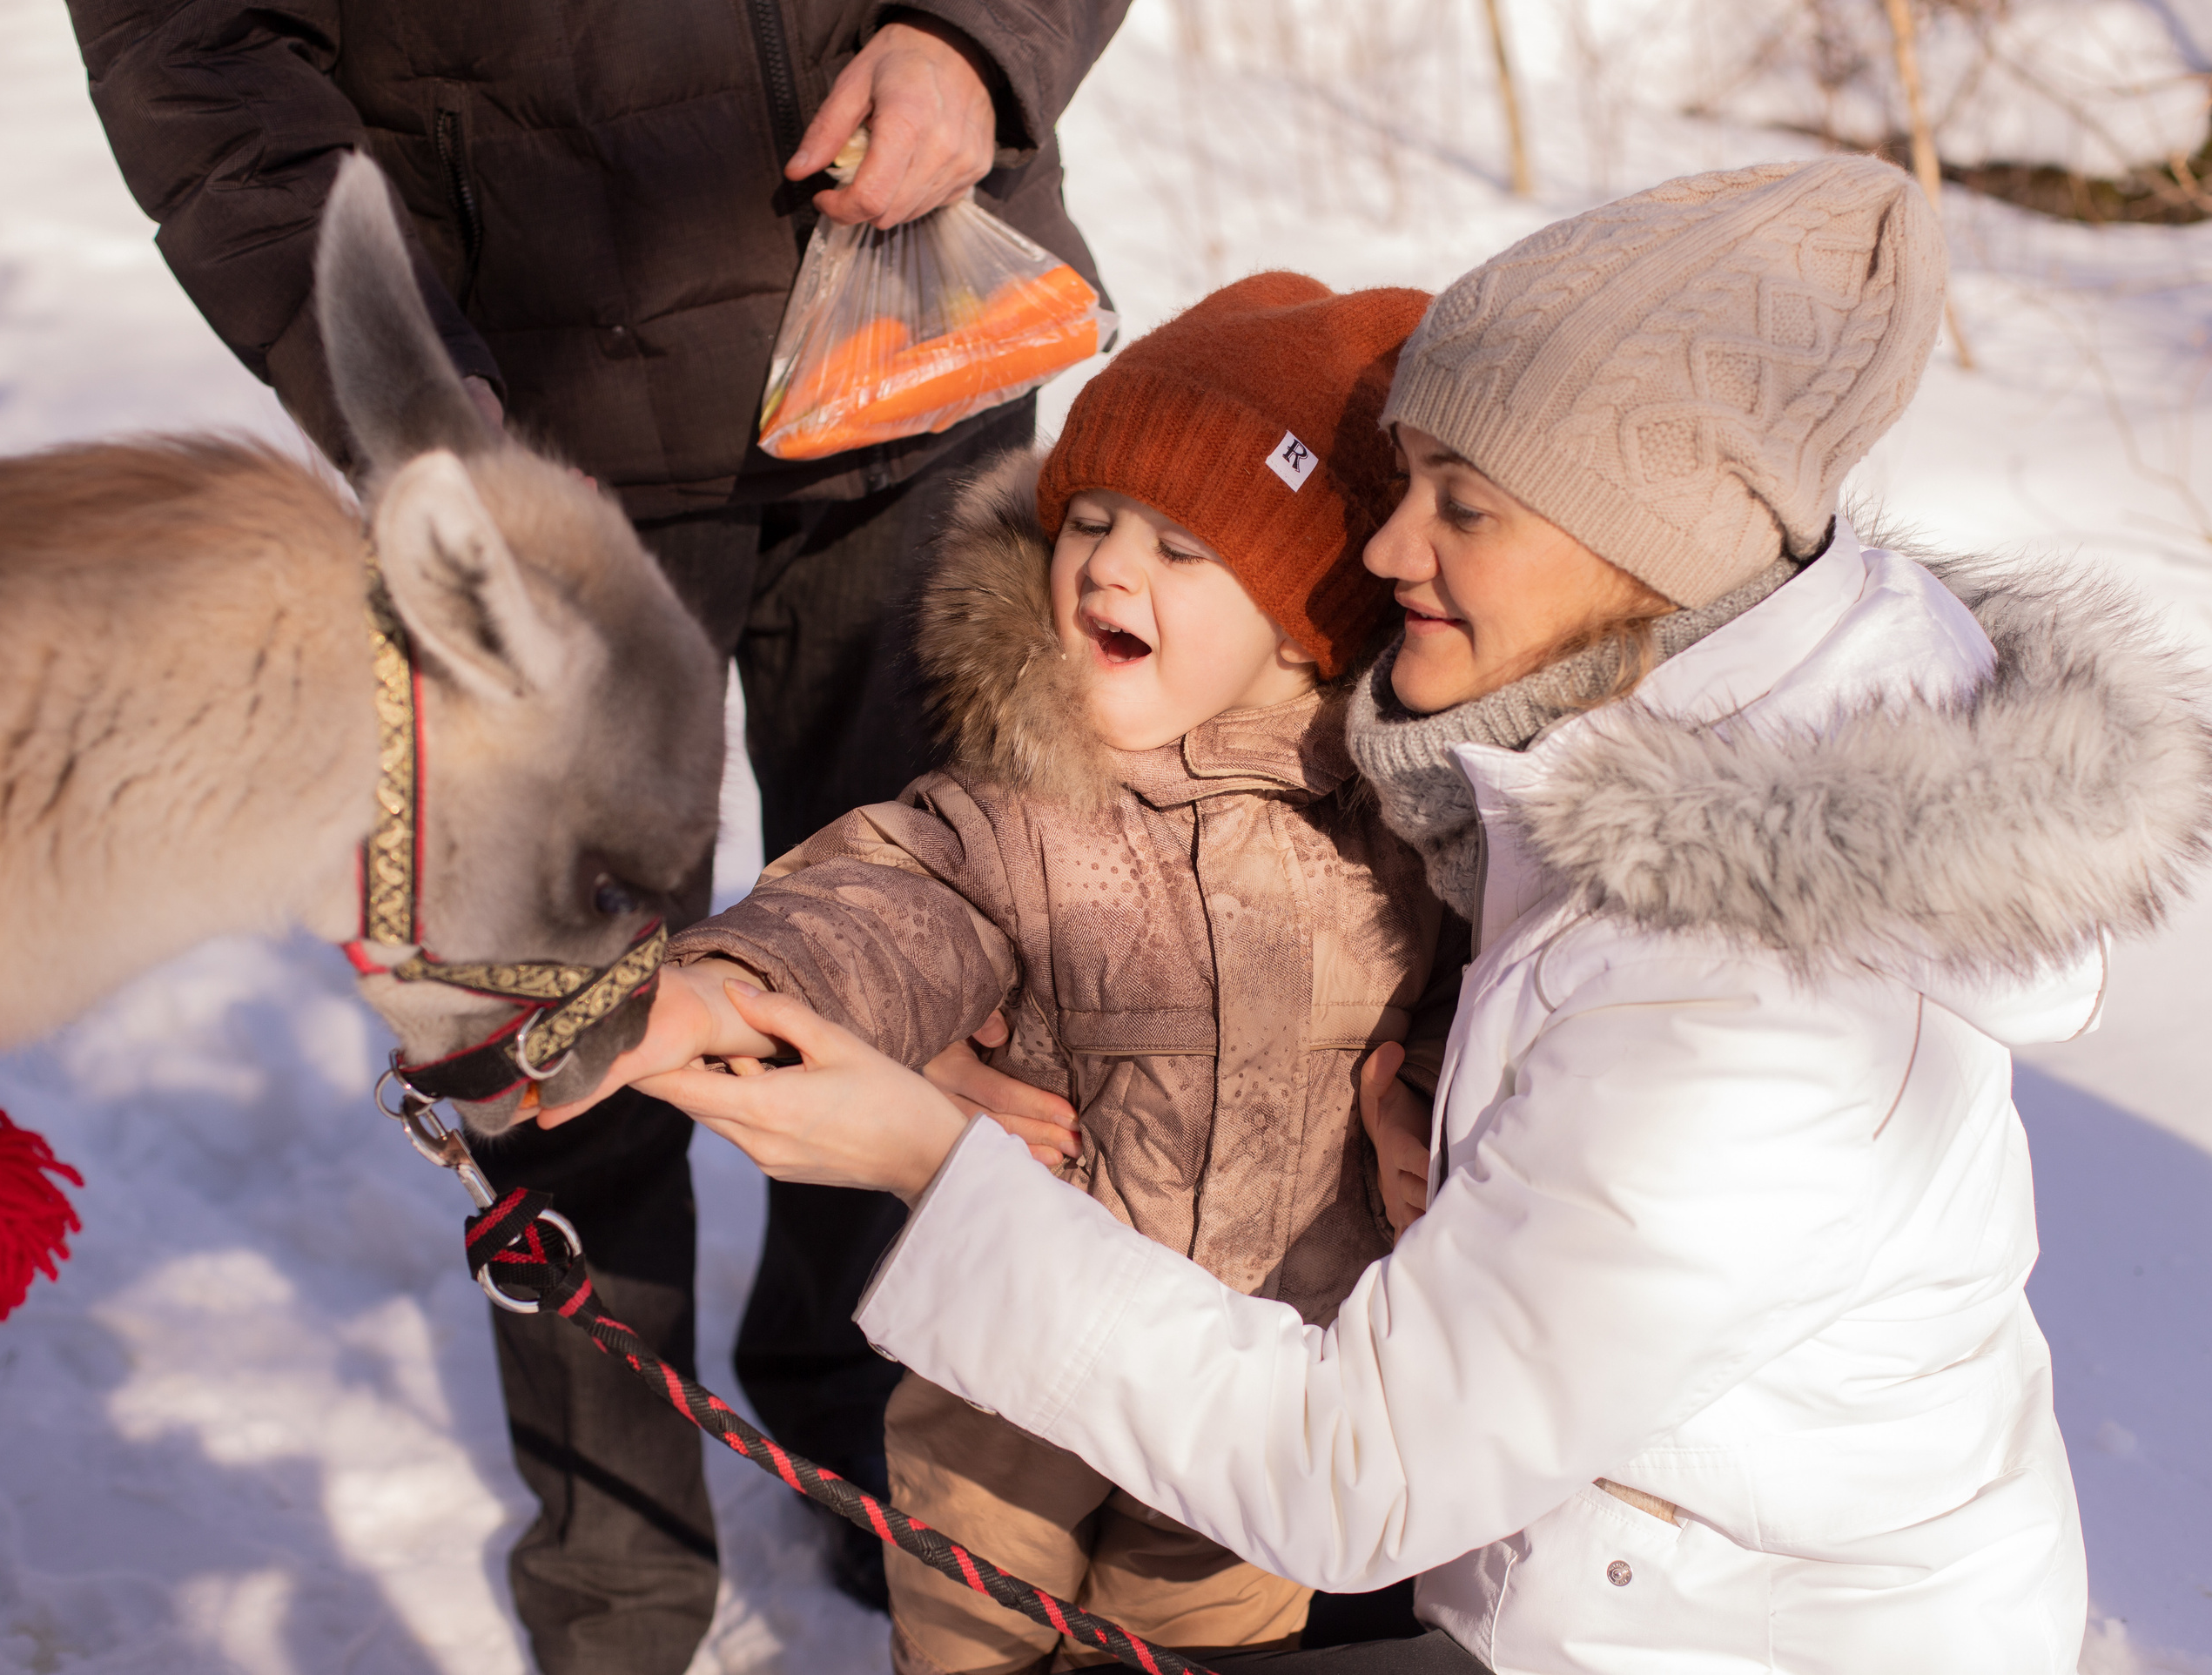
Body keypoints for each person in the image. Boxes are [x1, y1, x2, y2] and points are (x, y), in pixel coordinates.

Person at [549, 155, 2212, 1672]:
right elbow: (915, 888)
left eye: (1463, 504)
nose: (1388, 540)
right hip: (1518, 1546)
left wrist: (922, 1153)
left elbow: (1361, 1472)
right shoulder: (1607, 742)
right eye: (1404, 475)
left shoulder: (1748, 1009)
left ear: (1647, 544)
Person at [66, 0, 1126, 1665]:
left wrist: (975, 46)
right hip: (535, 417)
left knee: (926, 941)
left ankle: (856, 1413)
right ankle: (617, 1584)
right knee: (555, 1023)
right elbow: (193, 44)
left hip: (922, 333)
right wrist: (401, 373)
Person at [576, 272, 1470, 1674]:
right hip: (1007, 1381)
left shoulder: (1405, 834)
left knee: (1200, 1655)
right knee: (975, 1638)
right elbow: (883, 902)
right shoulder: (1024, 806)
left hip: (1261, 1393)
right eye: (1095, 524)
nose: (1111, 569)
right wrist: (725, 987)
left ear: (1309, 619)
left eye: (1183, 550)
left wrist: (1422, 1102)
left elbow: (1465, 1010)